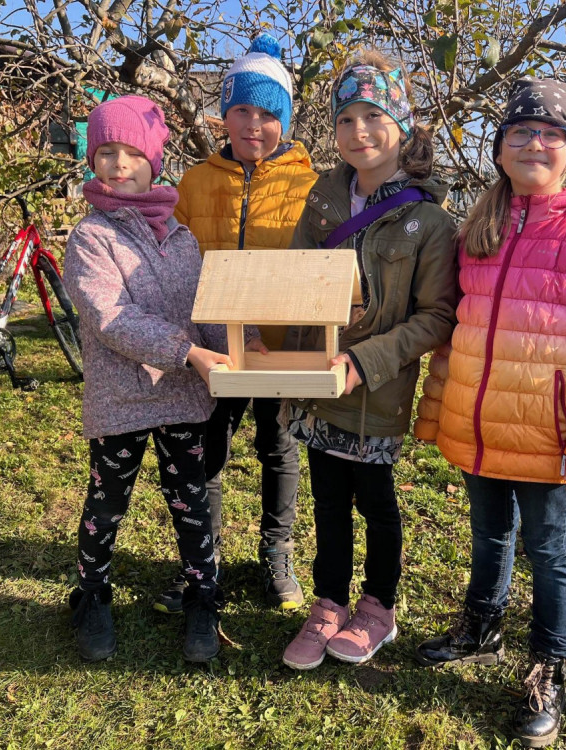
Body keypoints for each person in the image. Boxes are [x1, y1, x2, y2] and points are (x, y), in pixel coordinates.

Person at [412, 78, 566, 747]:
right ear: (500, 148)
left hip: (550, 436)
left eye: (550, 134)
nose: (534, 144)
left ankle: (548, 668)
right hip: (479, 425)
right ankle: (481, 626)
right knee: (489, 535)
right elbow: (458, 331)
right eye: (520, 131)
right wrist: (439, 407)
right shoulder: (477, 230)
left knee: (550, 551)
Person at [63, 95, 259, 663]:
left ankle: (203, 598)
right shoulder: (91, 237)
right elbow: (110, 317)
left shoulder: (181, 237)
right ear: (92, 161)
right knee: (106, 503)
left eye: (131, 152)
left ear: (154, 161)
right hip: (120, 399)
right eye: (106, 152)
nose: (119, 164)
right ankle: (91, 595)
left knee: (191, 503)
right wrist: (188, 352)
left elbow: (204, 308)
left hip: (180, 398)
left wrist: (243, 343)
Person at [280, 51, 457, 670]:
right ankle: (328, 603)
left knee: (376, 503)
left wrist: (364, 360)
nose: (359, 131)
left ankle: (378, 607)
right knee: (327, 500)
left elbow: (436, 316)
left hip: (376, 390)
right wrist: (277, 349)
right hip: (318, 384)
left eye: (374, 115)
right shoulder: (322, 201)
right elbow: (295, 283)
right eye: (345, 119)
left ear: (401, 124)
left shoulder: (427, 220)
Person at [156, 33, 318, 614]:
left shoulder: (308, 185)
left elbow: (319, 267)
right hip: (214, 345)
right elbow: (174, 258)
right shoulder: (196, 182)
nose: (254, 124)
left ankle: (277, 552)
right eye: (242, 110)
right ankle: (206, 558)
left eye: (268, 114)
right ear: (224, 114)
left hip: (280, 346)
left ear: (285, 120)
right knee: (209, 449)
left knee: (278, 447)